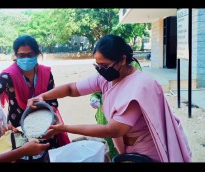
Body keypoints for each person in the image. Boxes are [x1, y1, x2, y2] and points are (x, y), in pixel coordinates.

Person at [27, 34, 192, 162]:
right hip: (127, 148)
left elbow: (112, 130)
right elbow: (72, 88)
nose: (101, 70)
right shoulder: (108, 78)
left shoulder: (139, 87)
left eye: (104, 66)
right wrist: (43, 96)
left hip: (147, 151)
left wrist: (64, 128)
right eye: (97, 66)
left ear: (122, 60)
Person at [0, 35, 70, 149]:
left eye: (30, 55)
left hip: (46, 125)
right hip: (18, 127)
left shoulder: (46, 73)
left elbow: (52, 100)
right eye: (21, 55)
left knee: (48, 154)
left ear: (37, 54)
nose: (26, 58)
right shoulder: (9, 75)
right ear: (16, 55)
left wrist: (50, 115)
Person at [89, 53, 143, 160]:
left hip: (122, 118)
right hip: (104, 118)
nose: (102, 68)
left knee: (123, 152)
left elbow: (135, 90)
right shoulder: (103, 67)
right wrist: (94, 97)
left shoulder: (132, 67)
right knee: (107, 149)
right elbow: (97, 86)